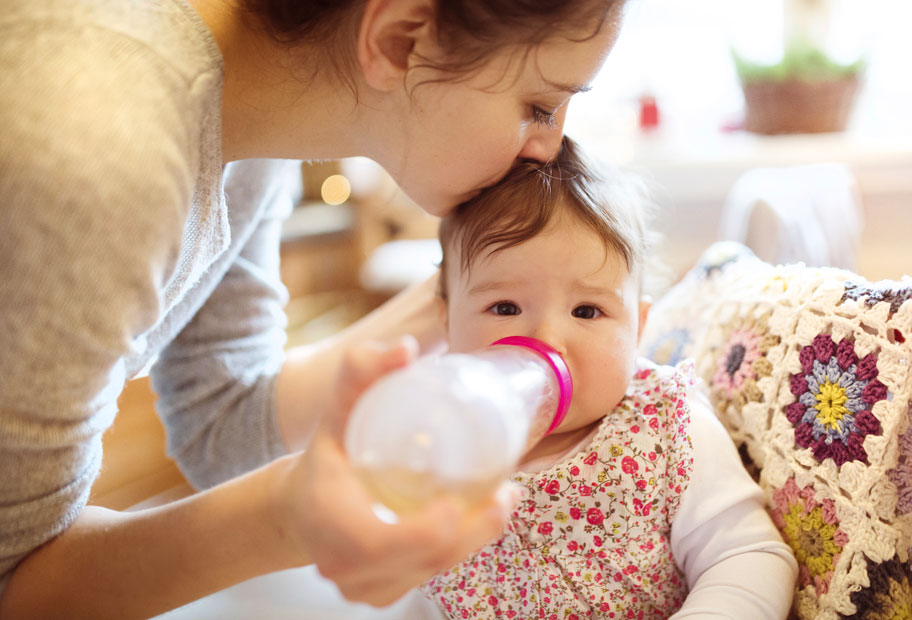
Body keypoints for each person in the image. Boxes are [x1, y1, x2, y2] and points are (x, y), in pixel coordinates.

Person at [0, 0, 629, 616]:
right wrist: (280, 519)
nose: (550, 146)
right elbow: (13, 584)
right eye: (540, 106)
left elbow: (221, 425)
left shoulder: (258, 118)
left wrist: (482, 297)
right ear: (402, 38)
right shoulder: (94, 137)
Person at [423, 137, 798, 618]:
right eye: (504, 307)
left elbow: (745, 556)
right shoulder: (437, 437)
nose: (547, 339)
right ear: (446, 321)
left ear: (637, 328)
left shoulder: (666, 428)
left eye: (586, 310)